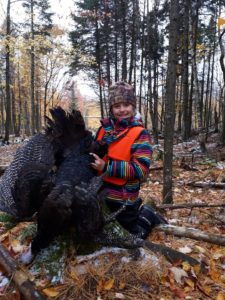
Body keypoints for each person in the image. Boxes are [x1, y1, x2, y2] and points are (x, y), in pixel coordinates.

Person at [90, 81, 167, 239]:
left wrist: (107, 167)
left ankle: (148, 215)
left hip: (123, 200)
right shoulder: (103, 130)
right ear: (111, 109)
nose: (122, 110)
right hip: (98, 195)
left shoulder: (140, 133)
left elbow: (140, 170)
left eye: (126, 104)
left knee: (133, 237)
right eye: (117, 106)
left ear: (133, 107)